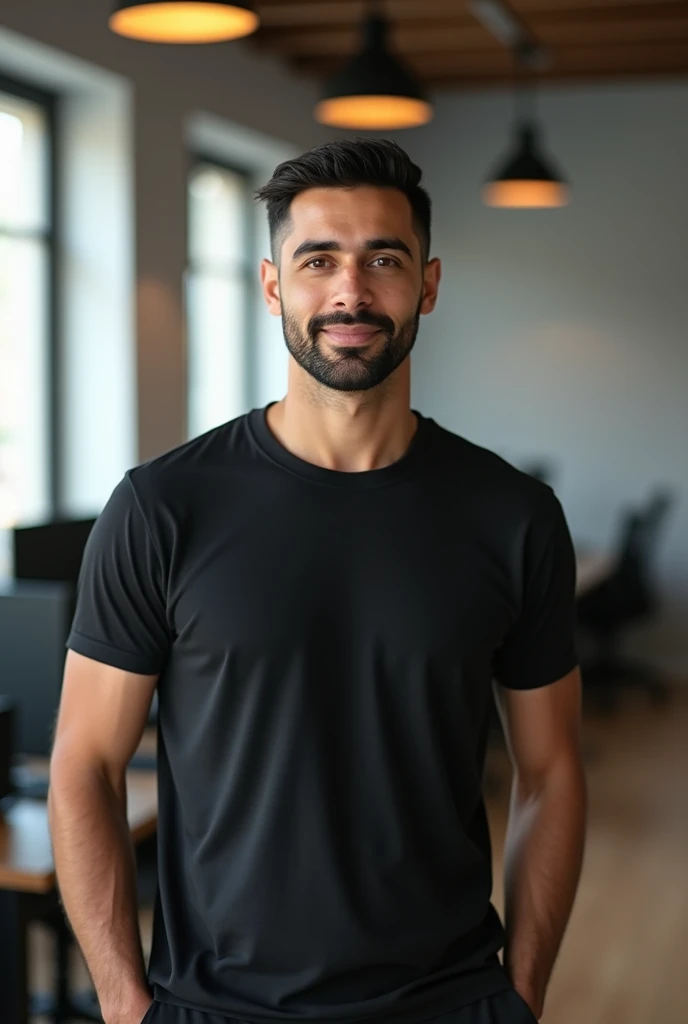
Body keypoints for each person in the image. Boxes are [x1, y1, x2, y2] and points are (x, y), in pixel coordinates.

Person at [48, 138, 587, 1024]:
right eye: (319, 260)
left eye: (384, 258)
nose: (351, 290)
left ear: (430, 283)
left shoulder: (513, 514)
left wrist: (521, 991)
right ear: (272, 286)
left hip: (451, 1000)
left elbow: (551, 769)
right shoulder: (162, 507)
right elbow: (84, 765)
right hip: (212, 1005)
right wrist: (121, 1002)